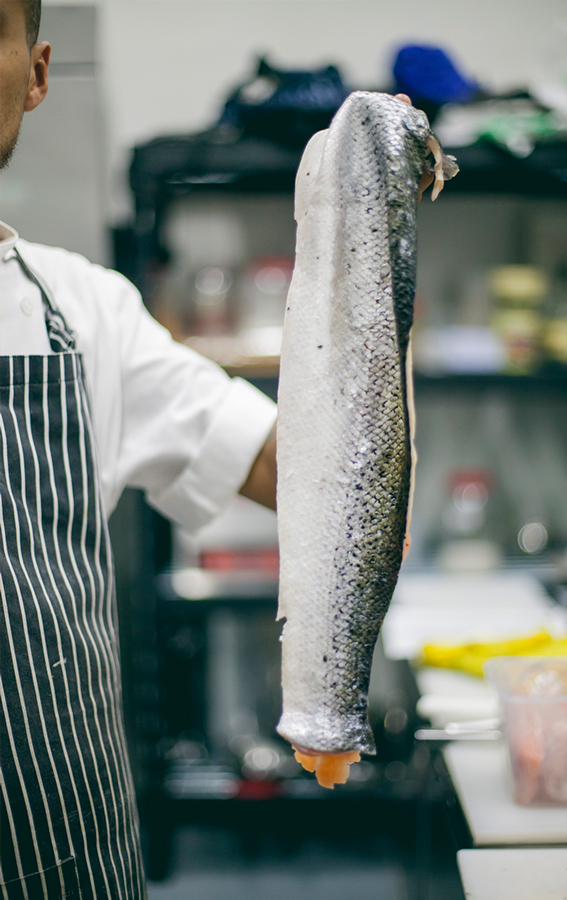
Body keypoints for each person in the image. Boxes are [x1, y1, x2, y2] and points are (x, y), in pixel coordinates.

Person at [0, 2, 277, 898]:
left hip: (68, 851)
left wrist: (369, 277)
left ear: (37, 73)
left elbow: (296, 469)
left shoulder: (89, 311)